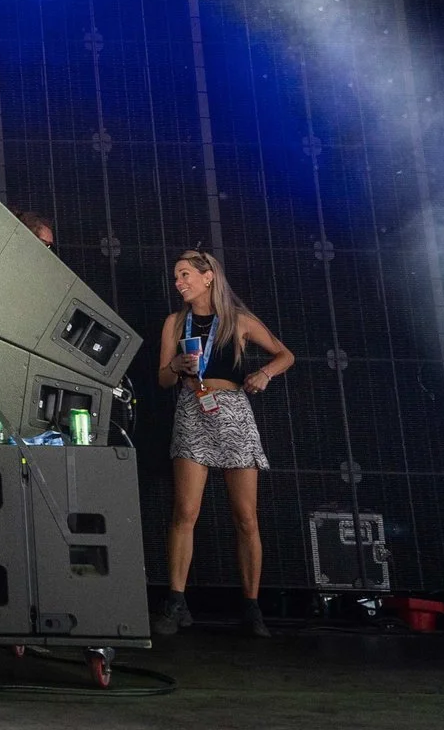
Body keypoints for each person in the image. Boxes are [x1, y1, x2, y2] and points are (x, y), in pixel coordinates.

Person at [153, 247, 295, 638]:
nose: (178, 282)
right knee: (185, 511)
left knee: (246, 516)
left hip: (233, 412)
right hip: (191, 409)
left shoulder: (238, 320)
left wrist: (264, 374)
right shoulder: (174, 323)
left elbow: (286, 355)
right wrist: (175, 366)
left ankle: (251, 606)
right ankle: (176, 602)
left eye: (185, 274)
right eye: (176, 276)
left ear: (208, 276)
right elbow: (163, 380)